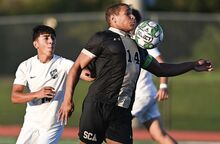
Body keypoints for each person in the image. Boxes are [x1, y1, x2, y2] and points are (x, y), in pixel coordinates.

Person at [58, 3, 213, 144]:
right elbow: (77, 67)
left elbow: (161, 69)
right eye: (127, 13)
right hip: (98, 105)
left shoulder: (138, 47)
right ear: (113, 18)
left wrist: (192, 65)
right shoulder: (102, 38)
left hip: (122, 109)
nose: (132, 16)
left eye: (132, 13)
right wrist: (67, 100)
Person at [11, 25, 93, 144]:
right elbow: (15, 97)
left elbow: (85, 74)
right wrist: (37, 94)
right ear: (36, 44)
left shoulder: (63, 64)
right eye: (46, 38)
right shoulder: (26, 66)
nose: (51, 41)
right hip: (30, 124)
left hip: (52, 125)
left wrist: (96, 70)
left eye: (53, 38)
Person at [131, 8, 177, 144]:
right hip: (147, 94)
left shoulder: (144, 41)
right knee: (159, 135)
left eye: (130, 16)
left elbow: (161, 63)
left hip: (142, 95)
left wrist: (163, 85)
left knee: (118, 124)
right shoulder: (126, 41)